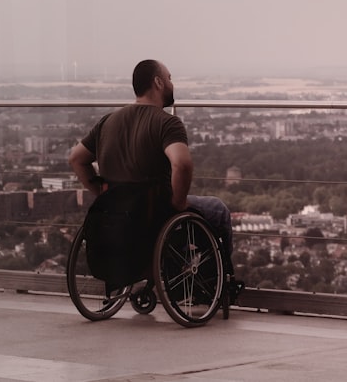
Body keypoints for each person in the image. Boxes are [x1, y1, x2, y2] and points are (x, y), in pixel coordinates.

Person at [68, 59, 244, 302]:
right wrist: (179, 202)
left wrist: (101, 193)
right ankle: (207, 285)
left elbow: (77, 159)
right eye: (170, 78)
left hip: (117, 211)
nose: (172, 83)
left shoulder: (107, 121)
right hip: (154, 209)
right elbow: (182, 163)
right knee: (218, 210)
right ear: (158, 82)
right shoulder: (166, 123)